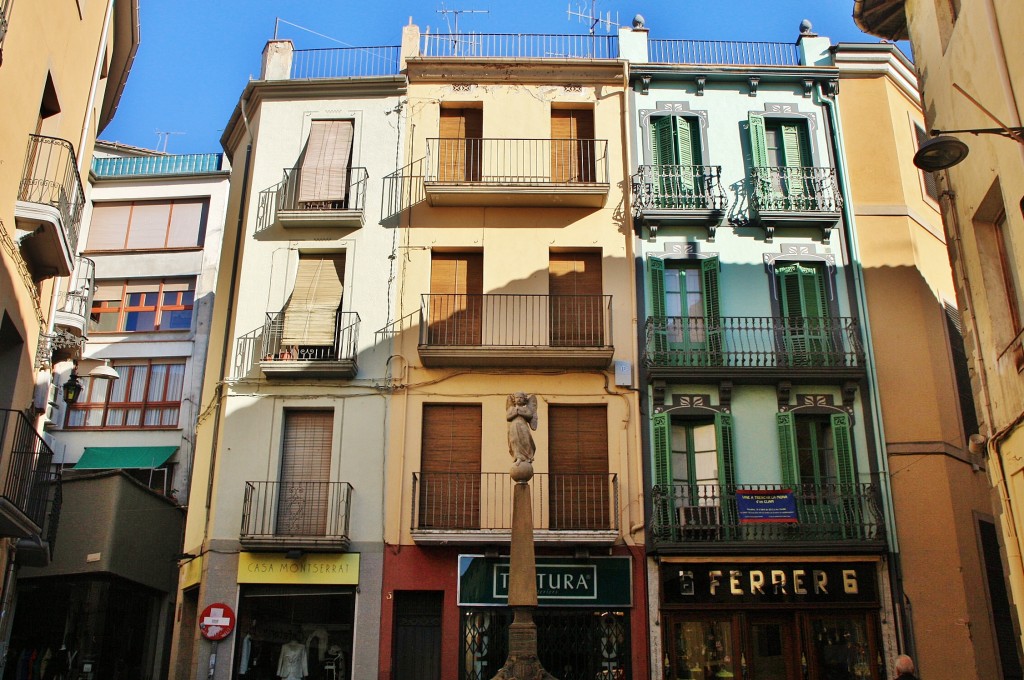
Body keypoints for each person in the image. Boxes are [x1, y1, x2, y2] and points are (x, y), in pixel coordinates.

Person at [506, 393, 538, 463]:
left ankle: (527, 457)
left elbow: (530, 415)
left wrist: (520, 413)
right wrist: (515, 413)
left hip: (523, 426)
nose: (519, 399)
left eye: (521, 397)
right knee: (515, 441)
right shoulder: (512, 408)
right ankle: (518, 457)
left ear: (525, 400)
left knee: (525, 440)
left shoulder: (525, 408)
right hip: (514, 427)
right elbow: (508, 417)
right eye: (517, 397)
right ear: (514, 400)